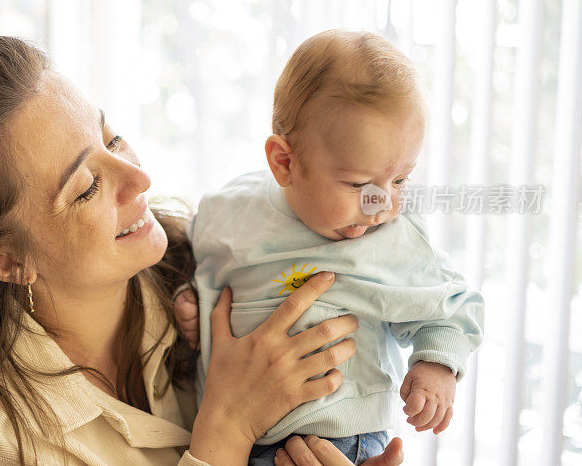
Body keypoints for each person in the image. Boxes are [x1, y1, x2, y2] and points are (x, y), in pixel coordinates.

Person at [0, 36, 403, 466]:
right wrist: (226, 429)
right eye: (85, 186)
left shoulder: (206, 275)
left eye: (110, 139)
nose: (138, 177)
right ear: (6, 260)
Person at [184, 29, 484, 464]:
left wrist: (436, 365)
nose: (382, 203)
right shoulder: (227, 210)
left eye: (400, 180)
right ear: (284, 162)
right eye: (359, 184)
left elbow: (453, 306)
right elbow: (193, 261)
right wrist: (186, 300)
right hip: (229, 438)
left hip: (342, 441)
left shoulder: (395, 237)